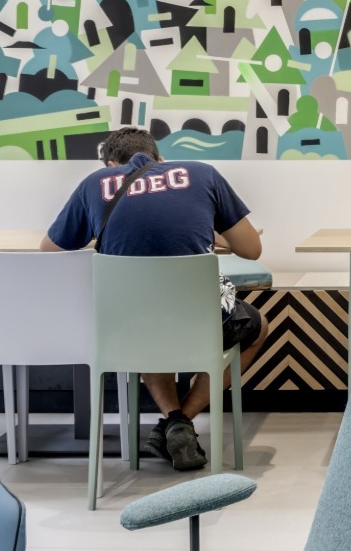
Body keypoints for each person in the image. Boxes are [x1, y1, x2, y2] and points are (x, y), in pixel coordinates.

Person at [41, 127, 266, 470]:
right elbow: (252, 249)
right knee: (259, 327)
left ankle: (174, 421)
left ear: (112, 165)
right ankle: (181, 422)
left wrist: (100, 235)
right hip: (202, 323)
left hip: (127, 329)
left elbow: (49, 251)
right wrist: (211, 231)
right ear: (160, 158)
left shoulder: (94, 184)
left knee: (143, 316)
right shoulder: (203, 174)